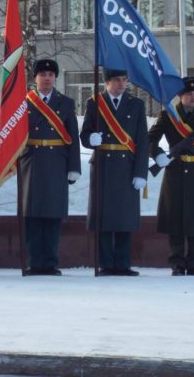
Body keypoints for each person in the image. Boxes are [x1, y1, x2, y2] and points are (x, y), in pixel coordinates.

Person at [148, 76, 194, 276]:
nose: (193, 97)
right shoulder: (169, 116)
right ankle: (177, 263)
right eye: (188, 93)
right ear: (180, 96)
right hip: (175, 171)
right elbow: (149, 139)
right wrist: (158, 154)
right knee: (175, 219)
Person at [80, 69, 148, 276]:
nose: (121, 84)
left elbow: (142, 140)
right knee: (103, 217)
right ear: (107, 82)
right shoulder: (95, 103)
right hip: (103, 165)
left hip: (127, 165)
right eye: (117, 80)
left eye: (124, 80)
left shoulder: (136, 104)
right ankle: (106, 263)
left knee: (124, 217)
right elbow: (84, 133)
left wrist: (141, 172)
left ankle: (123, 264)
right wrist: (91, 139)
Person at [17, 58, 81, 276]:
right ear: (35, 78)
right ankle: (35, 262)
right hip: (31, 162)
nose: (47, 78)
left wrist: (74, 167)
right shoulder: (23, 103)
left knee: (53, 214)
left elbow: (73, 137)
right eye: (42, 75)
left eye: (51, 75)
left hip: (56, 163)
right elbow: (14, 136)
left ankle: (51, 262)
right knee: (32, 214)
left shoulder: (66, 103)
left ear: (55, 78)